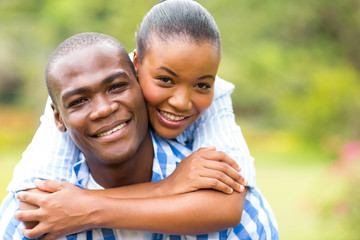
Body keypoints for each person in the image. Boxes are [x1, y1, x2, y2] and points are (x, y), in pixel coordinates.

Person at [0, 32, 278, 240]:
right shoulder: (37, 209)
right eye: (78, 101)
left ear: (141, 84)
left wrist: (90, 208)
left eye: (117, 87)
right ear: (57, 118)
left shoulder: (218, 187)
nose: (104, 109)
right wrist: (167, 188)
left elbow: (228, 211)